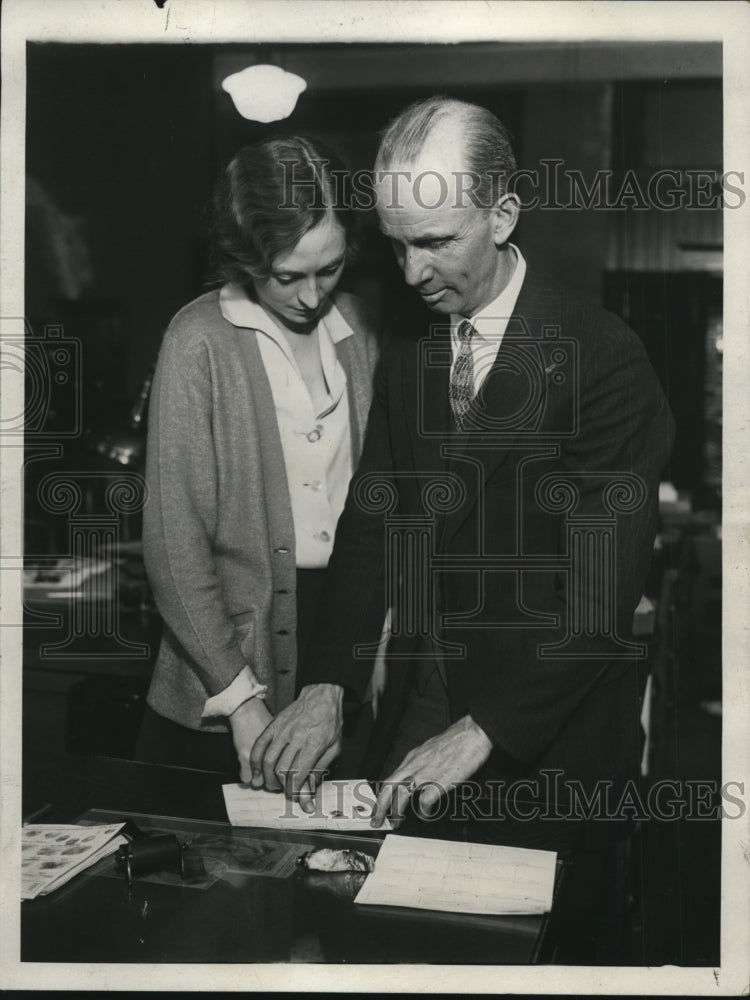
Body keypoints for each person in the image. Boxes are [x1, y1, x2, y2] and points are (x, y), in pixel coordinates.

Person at [250, 97, 675, 865]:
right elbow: (374, 523)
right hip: (420, 706)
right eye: (397, 244)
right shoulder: (412, 343)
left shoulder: (604, 357)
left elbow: (597, 602)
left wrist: (481, 732)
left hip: (543, 741)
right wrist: (328, 684)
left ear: (503, 215)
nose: (413, 273)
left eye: (436, 242)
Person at [136, 136, 379, 783]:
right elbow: (174, 545)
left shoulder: (359, 329)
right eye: (286, 276)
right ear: (245, 258)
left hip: (339, 641)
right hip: (221, 658)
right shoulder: (198, 340)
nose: (311, 296)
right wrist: (240, 700)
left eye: (329, 269)